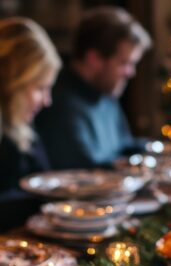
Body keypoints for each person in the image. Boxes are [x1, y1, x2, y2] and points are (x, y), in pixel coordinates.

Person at [36, 7, 152, 170]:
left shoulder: (106, 92)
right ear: (94, 59)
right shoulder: (58, 103)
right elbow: (79, 174)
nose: (131, 73)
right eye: (124, 63)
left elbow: (125, 147)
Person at [0, 17, 61, 229]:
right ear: (12, 82)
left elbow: (45, 180)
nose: (47, 100)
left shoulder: (20, 125)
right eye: (40, 88)